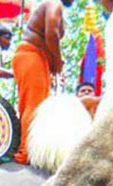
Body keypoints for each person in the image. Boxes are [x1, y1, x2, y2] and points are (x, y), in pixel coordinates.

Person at [12, 0, 74, 164]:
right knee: (35, 105)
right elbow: (51, 34)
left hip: (34, 56)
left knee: (31, 104)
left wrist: (53, 63)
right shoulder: (55, 4)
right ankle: (26, 151)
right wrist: (57, 62)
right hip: (31, 55)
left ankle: (24, 147)